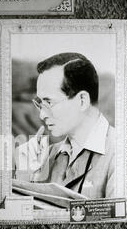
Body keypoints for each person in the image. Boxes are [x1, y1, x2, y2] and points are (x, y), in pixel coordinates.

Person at [14, 52, 115, 199]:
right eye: (40, 104)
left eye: (49, 102)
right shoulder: (45, 157)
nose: (42, 115)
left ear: (82, 100)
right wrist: (24, 176)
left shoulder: (120, 153)